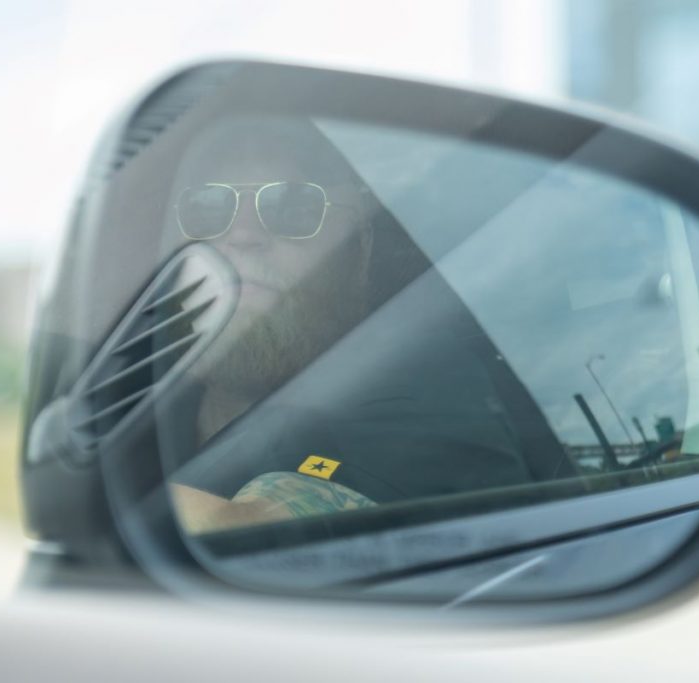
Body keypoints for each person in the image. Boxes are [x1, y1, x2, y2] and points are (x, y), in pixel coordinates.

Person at [164, 115, 564, 535]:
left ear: (360, 248)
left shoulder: (424, 387)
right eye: (208, 207)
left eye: (292, 207)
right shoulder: (134, 398)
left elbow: (267, 533)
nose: (241, 233)